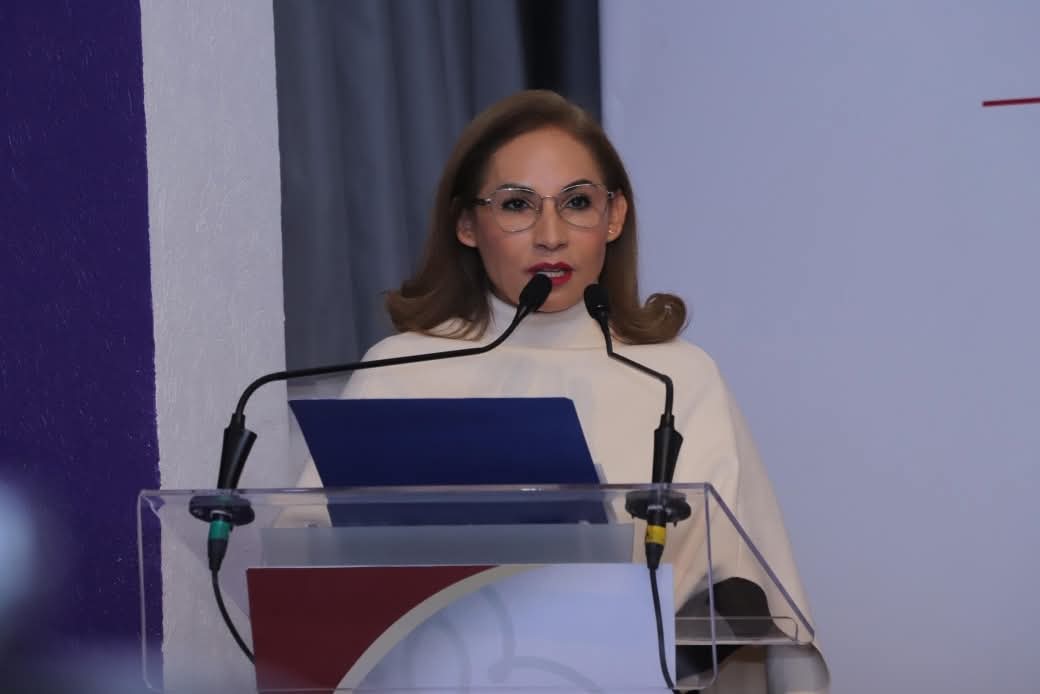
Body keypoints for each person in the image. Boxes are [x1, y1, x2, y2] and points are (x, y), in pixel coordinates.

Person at [295, 90, 828, 692]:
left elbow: (757, 600)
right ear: (466, 224)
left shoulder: (677, 377)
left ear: (614, 216)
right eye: (516, 204)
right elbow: (302, 564)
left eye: (577, 202)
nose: (550, 235)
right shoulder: (400, 368)